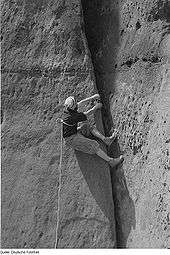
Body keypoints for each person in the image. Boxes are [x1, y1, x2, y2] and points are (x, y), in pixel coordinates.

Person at [62, 94, 123, 167]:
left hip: (74, 131)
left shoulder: (68, 109)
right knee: (93, 144)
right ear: (73, 106)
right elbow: (87, 114)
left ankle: (106, 140)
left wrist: (92, 98)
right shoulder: (73, 116)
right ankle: (111, 161)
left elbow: (80, 103)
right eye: (75, 103)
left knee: (87, 126)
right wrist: (96, 107)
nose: (77, 103)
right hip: (71, 139)